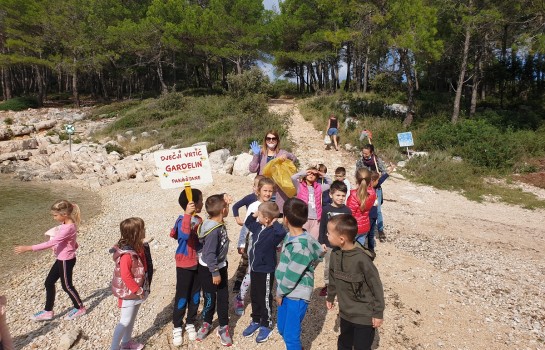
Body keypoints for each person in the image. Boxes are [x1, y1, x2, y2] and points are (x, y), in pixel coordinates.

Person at [14, 200, 86, 321]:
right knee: (49, 283)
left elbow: (50, 243)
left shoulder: (67, 228)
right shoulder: (66, 223)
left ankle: (80, 308)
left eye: (55, 215)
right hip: (61, 259)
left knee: (67, 286)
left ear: (64, 214)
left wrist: (28, 248)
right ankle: (48, 311)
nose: (54, 218)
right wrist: (67, 246)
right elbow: (73, 242)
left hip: (65, 260)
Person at [326, 214, 384, 350]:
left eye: (329, 233)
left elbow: (376, 286)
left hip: (364, 315)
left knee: (361, 346)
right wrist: (330, 296)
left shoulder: (362, 259)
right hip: (346, 313)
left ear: (341, 239)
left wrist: (378, 313)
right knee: (344, 343)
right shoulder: (335, 254)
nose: (326, 235)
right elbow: (333, 277)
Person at [276, 198, 324, 350]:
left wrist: (279, 292)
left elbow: (291, 276)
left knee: (290, 335)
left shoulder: (300, 247)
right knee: (282, 328)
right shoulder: (293, 236)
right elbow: (319, 252)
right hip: (286, 291)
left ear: (286, 219)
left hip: (296, 294)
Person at [242, 202, 287, 343]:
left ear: (267, 218)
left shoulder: (274, 233)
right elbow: (248, 222)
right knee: (254, 294)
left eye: (260, 215)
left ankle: (266, 323)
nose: (257, 217)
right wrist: (256, 213)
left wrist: (275, 221)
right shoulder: (257, 227)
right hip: (254, 268)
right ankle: (256, 319)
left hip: (266, 270)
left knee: (265, 296)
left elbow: (282, 232)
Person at [233, 177, 275, 316]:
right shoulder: (253, 206)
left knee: (266, 273)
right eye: (265, 190)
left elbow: (274, 226)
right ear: (258, 190)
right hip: (254, 244)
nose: (268, 193)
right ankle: (240, 297)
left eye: (270, 191)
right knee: (252, 273)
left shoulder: (273, 206)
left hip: (269, 245)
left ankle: (261, 298)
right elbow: (246, 227)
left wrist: (278, 243)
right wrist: (241, 243)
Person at [196, 194, 232, 346]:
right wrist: (215, 272)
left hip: (221, 266)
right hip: (209, 269)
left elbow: (215, 202)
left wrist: (224, 197)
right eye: (228, 207)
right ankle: (207, 322)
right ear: (223, 211)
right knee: (210, 298)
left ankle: (223, 327)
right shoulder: (213, 231)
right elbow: (209, 254)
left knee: (223, 297)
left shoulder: (214, 220)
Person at [110, 217, 152, 350]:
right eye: (142, 229)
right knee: (125, 321)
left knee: (132, 318)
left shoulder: (137, 246)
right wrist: (138, 290)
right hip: (128, 293)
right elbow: (126, 276)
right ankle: (113, 347)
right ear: (135, 234)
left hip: (136, 291)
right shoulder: (127, 255)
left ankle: (126, 343)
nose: (145, 230)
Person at [170, 188, 203, 346]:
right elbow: (183, 235)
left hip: (198, 263)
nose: (203, 202)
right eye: (201, 200)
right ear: (193, 204)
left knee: (195, 296)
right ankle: (177, 325)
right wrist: (188, 215)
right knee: (182, 296)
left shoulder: (199, 219)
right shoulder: (181, 220)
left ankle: (190, 322)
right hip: (184, 264)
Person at [249, 130, 297, 213]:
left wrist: (287, 155)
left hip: (277, 191)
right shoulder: (260, 153)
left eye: (273, 138)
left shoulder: (282, 153)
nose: (271, 141)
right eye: (268, 138)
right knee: (262, 213)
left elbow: (294, 158)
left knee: (275, 214)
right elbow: (252, 169)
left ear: (277, 140)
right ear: (265, 140)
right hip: (263, 190)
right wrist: (256, 155)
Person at [317, 181, 352, 297]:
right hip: (329, 245)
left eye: (343, 195)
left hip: (342, 245)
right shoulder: (326, 209)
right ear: (331, 195)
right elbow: (322, 226)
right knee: (328, 266)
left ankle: (340, 286)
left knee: (342, 266)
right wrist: (322, 242)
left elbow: (349, 229)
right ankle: (328, 285)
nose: (341, 198)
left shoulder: (347, 211)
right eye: (338, 195)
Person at [232, 175, 263, 293]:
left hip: (260, 236)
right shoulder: (250, 199)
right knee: (244, 260)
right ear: (254, 187)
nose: (259, 189)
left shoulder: (267, 201)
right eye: (257, 186)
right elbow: (235, 206)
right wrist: (237, 219)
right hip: (249, 233)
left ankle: (253, 283)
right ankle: (238, 282)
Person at [291, 166, 332, 240]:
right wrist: (305, 172)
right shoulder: (299, 186)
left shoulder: (319, 187)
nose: (311, 175)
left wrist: (320, 173)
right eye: (309, 173)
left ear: (316, 177)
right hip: (303, 218)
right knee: (302, 240)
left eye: (313, 174)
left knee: (313, 241)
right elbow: (293, 178)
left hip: (316, 219)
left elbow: (330, 183)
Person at [356, 144, 387, 239]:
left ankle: (380, 230)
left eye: (366, 153)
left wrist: (378, 179)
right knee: (364, 208)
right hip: (364, 187)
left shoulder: (377, 161)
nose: (364, 155)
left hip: (376, 188)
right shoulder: (360, 161)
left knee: (377, 210)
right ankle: (366, 228)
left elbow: (384, 172)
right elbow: (357, 173)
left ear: (371, 152)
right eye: (363, 153)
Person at [347, 169, 376, 248]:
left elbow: (350, 214)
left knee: (349, 251)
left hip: (353, 228)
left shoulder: (353, 194)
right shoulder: (373, 193)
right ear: (370, 180)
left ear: (356, 179)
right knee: (359, 250)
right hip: (365, 226)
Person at [368, 171, 390, 250]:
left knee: (371, 234)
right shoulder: (367, 190)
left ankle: (371, 250)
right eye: (377, 181)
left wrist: (389, 172)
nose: (378, 183)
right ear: (372, 181)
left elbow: (381, 180)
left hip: (374, 215)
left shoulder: (374, 187)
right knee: (367, 234)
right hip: (369, 216)